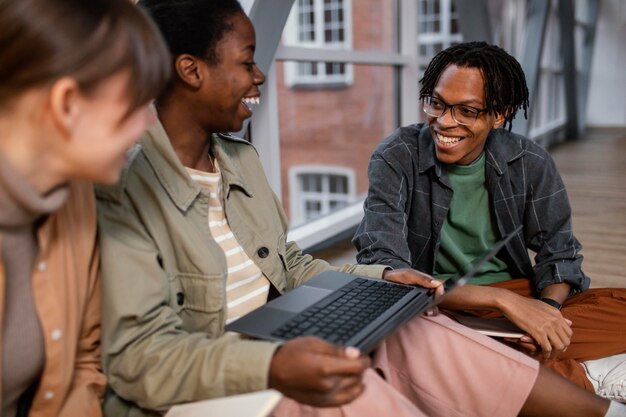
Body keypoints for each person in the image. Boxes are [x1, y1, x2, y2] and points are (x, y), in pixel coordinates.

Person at [95, 2, 625, 416]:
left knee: (428, 325)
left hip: (335, 319)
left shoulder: (239, 159)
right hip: (254, 357)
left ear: (500, 116)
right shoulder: (123, 186)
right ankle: (573, 378)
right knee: (431, 336)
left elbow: (290, 263)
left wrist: (388, 283)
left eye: (467, 111)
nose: (260, 77)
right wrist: (397, 283)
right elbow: (141, 355)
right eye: (248, 61)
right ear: (190, 70)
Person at [353, 41, 626, 400]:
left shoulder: (530, 162)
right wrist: (501, 302)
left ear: (499, 114)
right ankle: (581, 380)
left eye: (466, 111)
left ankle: (504, 359)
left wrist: (544, 313)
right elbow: (384, 268)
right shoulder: (396, 157)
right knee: (420, 340)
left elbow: (560, 257)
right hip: (436, 305)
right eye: (436, 103)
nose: (444, 121)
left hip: (518, 299)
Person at [0, 0, 171, 416]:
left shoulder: (75, 200)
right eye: (135, 103)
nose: (149, 121)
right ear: (67, 105)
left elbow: (79, 362)